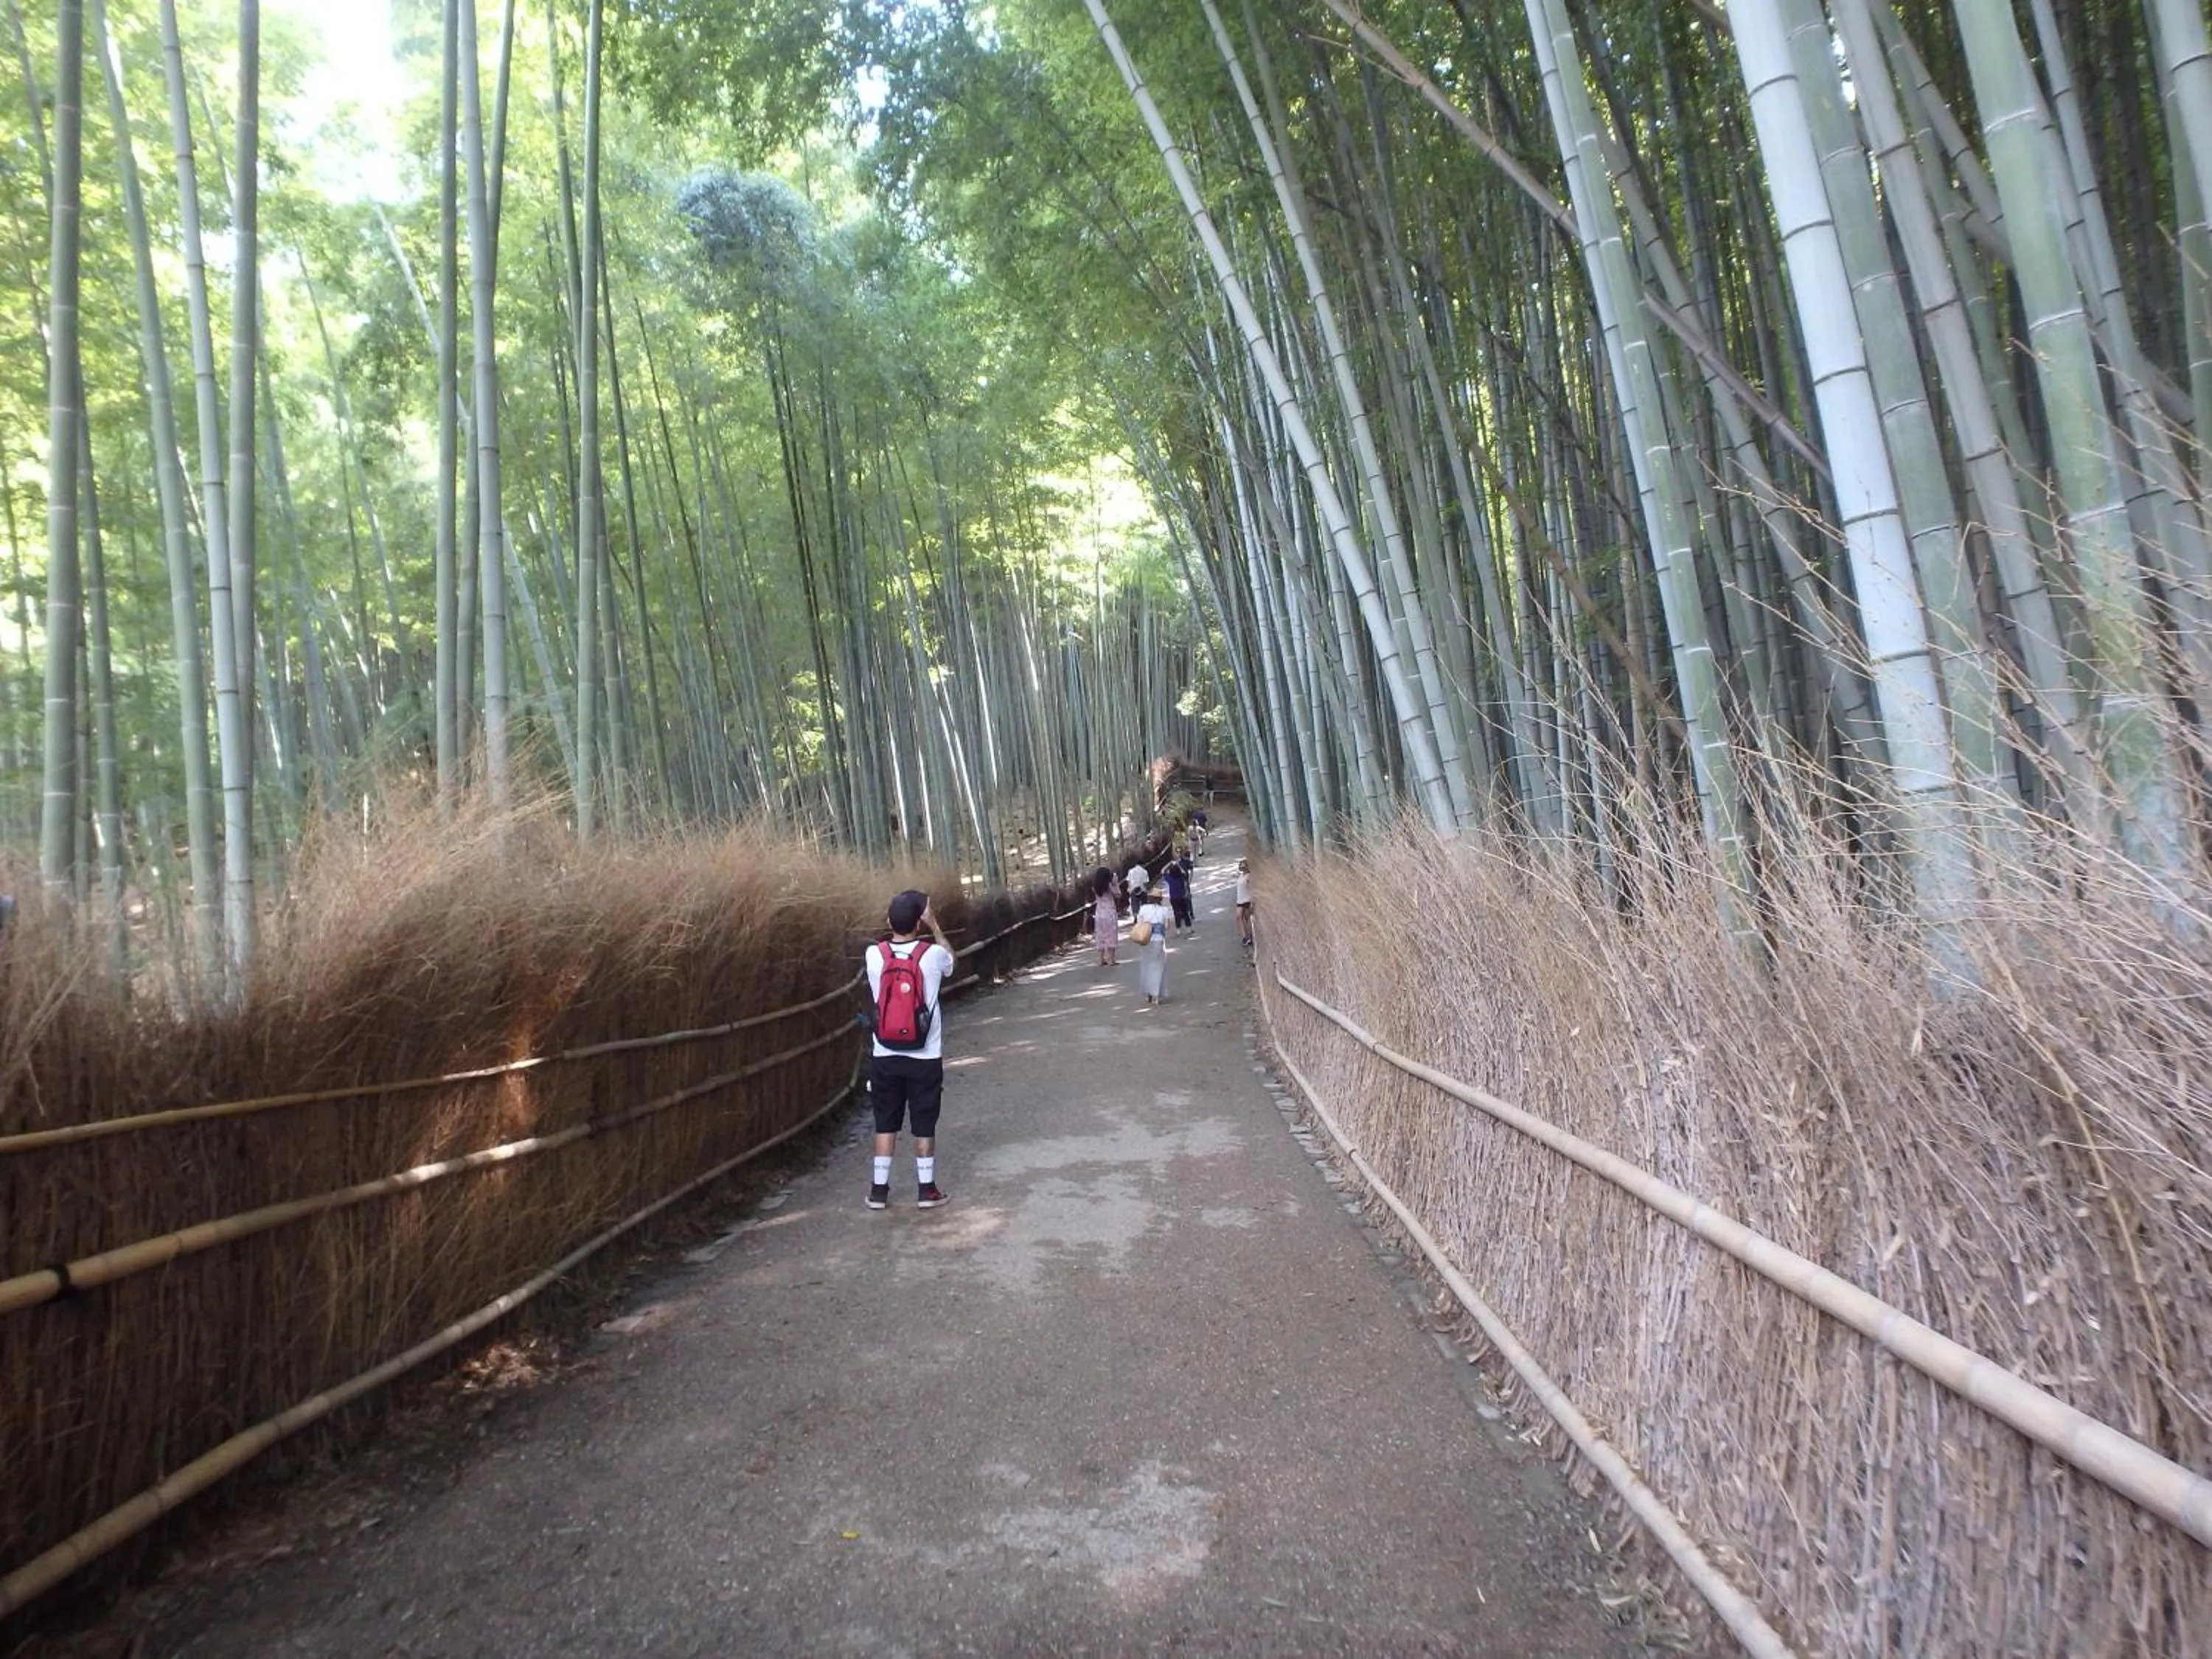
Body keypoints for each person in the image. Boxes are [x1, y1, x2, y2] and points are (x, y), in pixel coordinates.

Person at [864, 888, 956, 1210]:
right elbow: (951, 964)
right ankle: (926, 1190)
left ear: (889, 921)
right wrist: (936, 926)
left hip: (885, 1053)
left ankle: (878, 1191)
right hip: (925, 1055)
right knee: (924, 1123)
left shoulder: (873, 955)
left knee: (885, 1122)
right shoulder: (933, 955)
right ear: (919, 922)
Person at [1134, 883, 1174, 1006]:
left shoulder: (1143, 909)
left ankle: (1148, 993)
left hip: (1146, 939)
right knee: (1158, 967)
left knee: (1146, 966)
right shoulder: (1164, 910)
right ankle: (1156, 994)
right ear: (1160, 899)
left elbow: (1139, 923)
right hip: (1159, 940)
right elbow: (1167, 927)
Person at [1091, 866, 1120, 967]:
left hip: (1099, 913)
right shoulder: (1109, 886)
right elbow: (1118, 894)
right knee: (1111, 935)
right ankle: (1111, 959)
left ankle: (1101, 959)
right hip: (1110, 913)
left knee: (1100, 935)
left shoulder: (1095, 888)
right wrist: (1115, 883)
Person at [1163, 852, 1194, 933]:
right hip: (1182, 897)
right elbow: (1184, 872)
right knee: (1185, 913)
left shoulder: (1170, 879)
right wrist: (1178, 865)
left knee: (1176, 913)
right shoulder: (1181, 878)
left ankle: (1178, 930)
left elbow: (1162, 871)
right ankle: (1189, 928)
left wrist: (1170, 864)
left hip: (1174, 898)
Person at [1234, 858, 1253, 956]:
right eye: (1241, 867)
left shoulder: (1249, 876)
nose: (1242, 868)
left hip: (1247, 899)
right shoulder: (1241, 876)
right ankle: (1244, 936)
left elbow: (1251, 889)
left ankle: (1249, 936)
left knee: (1247, 919)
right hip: (1240, 899)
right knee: (1239, 917)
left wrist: (1252, 901)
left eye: (1243, 867)